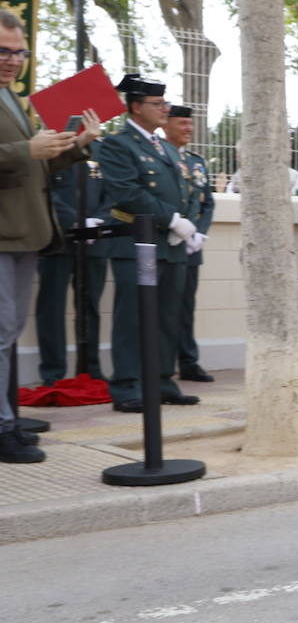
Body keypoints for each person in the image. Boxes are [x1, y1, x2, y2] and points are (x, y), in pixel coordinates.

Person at [0, 10, 102, 462]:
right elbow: (22, 157)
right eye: (3, 51)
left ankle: (6, 418)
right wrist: (28, 149)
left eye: (19, 52)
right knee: (1, 332)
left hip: (24, 232)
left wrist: (75, 146)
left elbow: (32, 167)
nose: (12, 60)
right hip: (3, 234)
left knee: (8, 331)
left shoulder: (11, 97)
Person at [97, 74, 201, 413]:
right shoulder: (119, 144)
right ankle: (127, 385)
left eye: (165, 103)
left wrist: (185, 225)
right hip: (136, 242)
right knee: (133, 317)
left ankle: (161, 380)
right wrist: (171, 220)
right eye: (158, 104)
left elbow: (181, 189)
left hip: (169, 244)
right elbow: (128, 193)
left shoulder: (164, 147)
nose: (164, 109)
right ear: (136, 107)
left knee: (167, 316)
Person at [34, 145, 108, 384]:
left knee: (90, 307)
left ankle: (90, 370)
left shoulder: (102, 150)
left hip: (93, 240)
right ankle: (52, 374)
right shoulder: (51, 146)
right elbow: (43, 189)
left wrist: (98, 222)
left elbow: (114, 191)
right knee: (51, 307)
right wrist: (75, 220)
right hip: (59, 239)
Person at [166, 104, 216, 381]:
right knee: (164, 307)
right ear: (166, 124)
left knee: (186, 307)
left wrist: (200, 233)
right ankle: (159, 363)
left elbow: (207, 202)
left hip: (191, 246)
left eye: (189, 124)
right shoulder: (160, 155)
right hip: (168, 240)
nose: (187, 129)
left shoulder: (197, 162)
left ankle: (188, 361)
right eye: (181, 123)